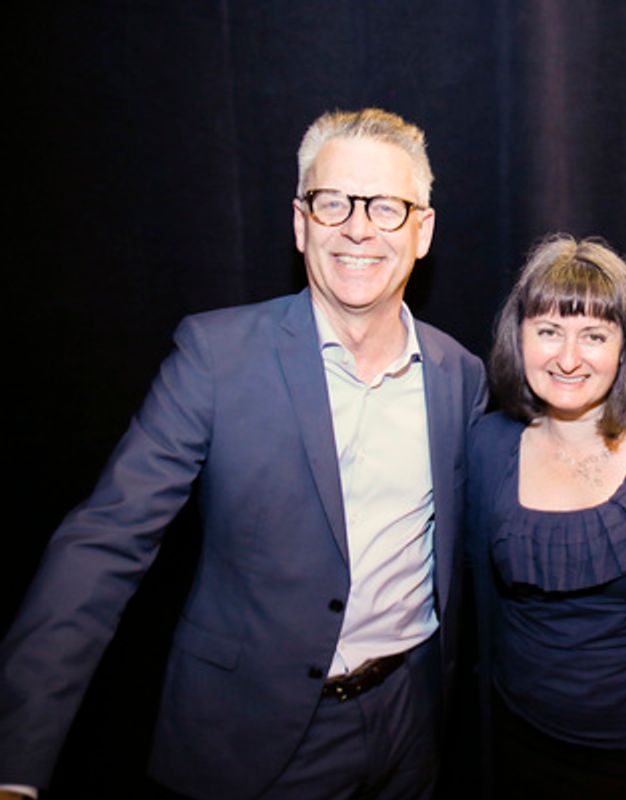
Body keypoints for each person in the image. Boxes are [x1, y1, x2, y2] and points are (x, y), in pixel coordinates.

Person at [0, 108, 487, 799]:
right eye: (332, 202)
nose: (358, 227)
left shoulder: (459, 375)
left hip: (413, 726)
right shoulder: (215, 357)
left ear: (422, 229)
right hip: (255, 740)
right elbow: (104, 543)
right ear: (300, 221)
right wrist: (13, 760)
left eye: (386, 206)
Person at [466, 236, 626, 799]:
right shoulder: (485, 446)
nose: (567, 358)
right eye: (548, 331)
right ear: (520, 337)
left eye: (594, 336)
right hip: (518, 751)